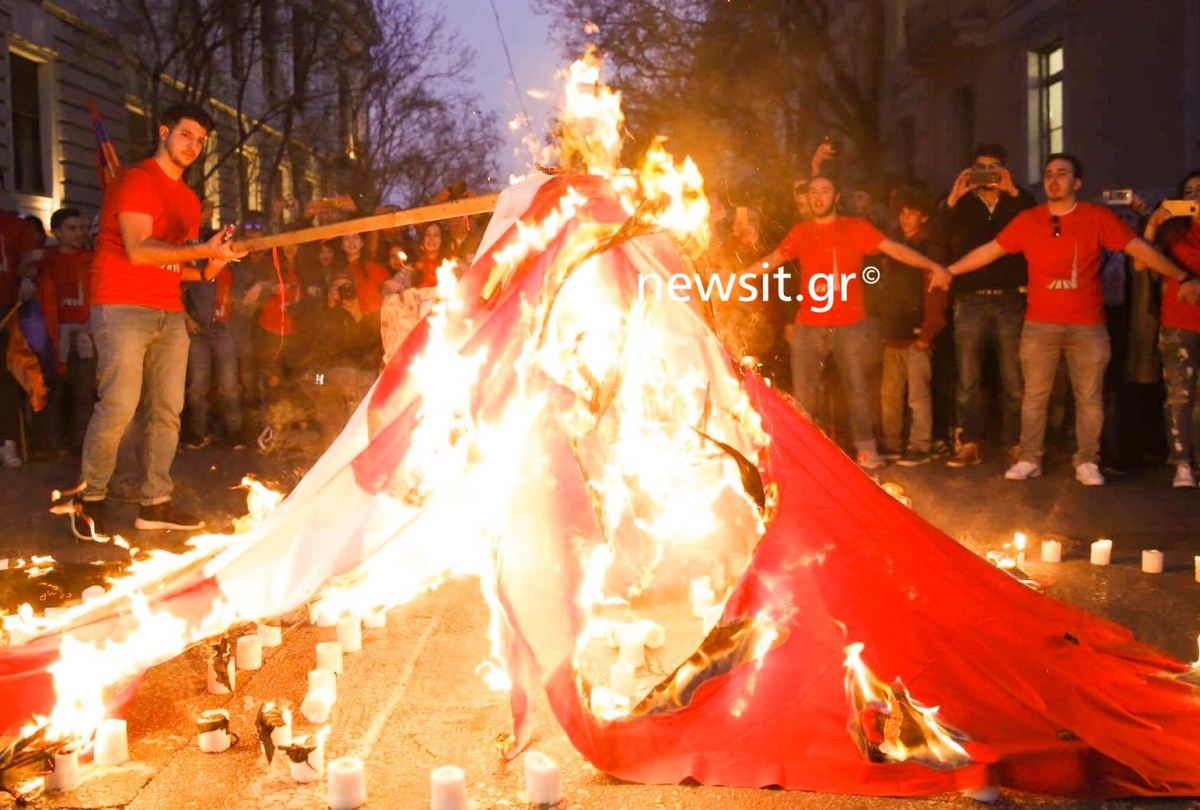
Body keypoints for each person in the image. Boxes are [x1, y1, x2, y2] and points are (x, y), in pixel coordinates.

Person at [934, 153, 1197, 486]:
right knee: (1035, 395)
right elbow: (991, 249)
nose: (1053, 179)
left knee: (1089, 396)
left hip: (1087, 325)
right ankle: (1030, 457)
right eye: (1048, 174)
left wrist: (1180, 276)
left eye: (1062, 173)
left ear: (1077, 183)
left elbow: (1138, 249)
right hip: (1040, 323)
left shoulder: (1096, 217)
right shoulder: (1030, 219)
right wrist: (950, 270)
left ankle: (1087, 460)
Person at [73, 103, 246, 540]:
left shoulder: (189, 200)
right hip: (122, 305)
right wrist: (203, 252)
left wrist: (217, 261)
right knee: (118, 406)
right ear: (164, 132)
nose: (193, 145)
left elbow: (177, 267)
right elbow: (139, 251)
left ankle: (154, 503)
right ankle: (88, 500)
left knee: (168, 411)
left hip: (169, 311)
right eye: (186, 135)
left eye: (201, 141)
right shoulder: (136, 180)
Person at [747, 175, 950, 469]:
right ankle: (805, 453)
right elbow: (775, 258)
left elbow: (894, 249)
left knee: (857, 388)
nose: (818, 197)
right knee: (805, 393)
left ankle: (866, 448)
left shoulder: (855, 228)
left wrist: (932, 265)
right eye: (813, 192)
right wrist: (739, 276)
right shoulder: (801, 231)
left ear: (836, 196)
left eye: (825, 191)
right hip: (809, 324)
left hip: (850, 324)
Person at [939, 144, 1037, 467]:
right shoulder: (963, 204)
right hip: (970, 299)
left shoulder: (1019, 200)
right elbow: (939, 239)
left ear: (1006, 169)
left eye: (994, 167)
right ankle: (969, 442)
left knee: (1013, 378)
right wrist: (952, 200)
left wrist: (1012, 192)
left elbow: (1033, 227)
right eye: (981, 167)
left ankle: (1015, 443)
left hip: (1011, 297)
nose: (988, 174)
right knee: (968, 378)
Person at [1137, 169, 1200, 487]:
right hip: (1178, 322)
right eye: (1188, 191)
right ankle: (1182, 464)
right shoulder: (1172, 233)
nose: (1194, 197)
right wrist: (1152, 225)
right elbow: (1141, 262)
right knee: (1179, 396)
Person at [877, 190, 949, 466]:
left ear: (924, 216)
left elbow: (936, 295)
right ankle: (893, 443)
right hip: (893, 334)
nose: (906, 218)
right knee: (889, 396)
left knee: (918, 396)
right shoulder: (892, 249)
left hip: (918, 336)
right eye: (902, 212)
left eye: (913, 212)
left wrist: (928, 333)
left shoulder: (930, 250)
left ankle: (921, 445)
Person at [36, 207, 97, 453]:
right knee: (52, 392)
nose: (79, 234)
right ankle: (48, 444)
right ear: (57, 232)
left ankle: (80, 443)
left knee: (83, 393)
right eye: (72, 228)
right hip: (53, 336)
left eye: (82, 228)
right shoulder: (45, 259)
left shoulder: (91, 260)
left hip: (84, 335)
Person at [0, 170, 42, 468]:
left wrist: (28, 279)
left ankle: (7, 442)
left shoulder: (12, 225)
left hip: (5, 310)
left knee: (4, 379)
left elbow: (31, 260)